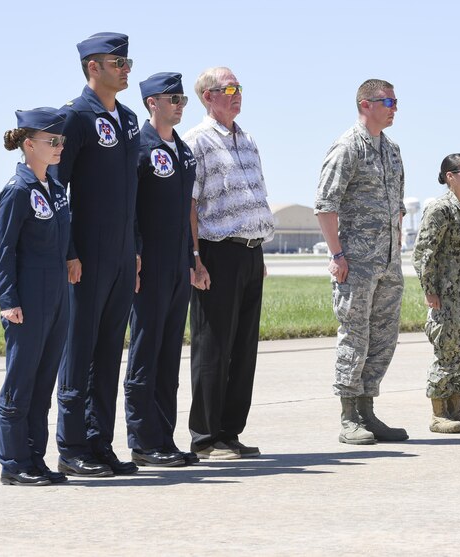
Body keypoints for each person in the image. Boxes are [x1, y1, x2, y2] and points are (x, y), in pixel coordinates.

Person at [53, 32, 142, 476]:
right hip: (86, 256)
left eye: (127, 62)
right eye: (117, 63)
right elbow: (56, 189)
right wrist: (68, 250)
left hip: (123, 257)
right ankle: (71, 448)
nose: (126, 69)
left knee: (109, 351)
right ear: (93, 67)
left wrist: (137, 251)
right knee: (79, 350)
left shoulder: (127, 120)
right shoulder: (75, 118)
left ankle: (99, 443)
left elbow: (133, 195)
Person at [182, 67, 275, 460]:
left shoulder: (248, 139)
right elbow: (190, 204)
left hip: (250, 251)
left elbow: (255, 195)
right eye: (229, 89)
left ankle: (229, 432)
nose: (237, 95)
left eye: (239, 88)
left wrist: (259, 252)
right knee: (213, 345)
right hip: (216, 252)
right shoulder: (197, 142)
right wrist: (196, 259)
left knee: (243, 347)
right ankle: (204, 435)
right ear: (207, 96)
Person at [315, 79, 408, 445]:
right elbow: (325, 205)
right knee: (355, 336)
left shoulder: (392, 150)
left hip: (387, 262)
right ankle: (349, 415)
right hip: (355, 263)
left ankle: (368, 410)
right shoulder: (347, 148)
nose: (394, 107)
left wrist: (396, 248)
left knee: (383, 337)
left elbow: (398, 206)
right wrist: (337, 255)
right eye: (388, 101)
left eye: (396, 101)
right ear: (365, 104)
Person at [124, 72, 198, 467]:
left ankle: (164, 439)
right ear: (152, 102)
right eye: (173, 98)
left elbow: (187, 210)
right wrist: (133, 254)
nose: (180, 105)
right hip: (149, 265)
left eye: (183, 99)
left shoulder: (183, 151)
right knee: (145, 352)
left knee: (169, 355)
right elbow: (130, 207)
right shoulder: (139, 147)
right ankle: (142, 439)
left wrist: (193, 259)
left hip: (176, 266)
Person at [0, 108, 70, 485]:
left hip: (57, 296)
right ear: (29, 145)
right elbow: (6, 251)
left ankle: (34, 458)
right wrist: (8, 300)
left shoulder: (55, 188)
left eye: (61, 141)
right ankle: (13, 463)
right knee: (21, 381)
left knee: (43, 383)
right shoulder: (17, 190)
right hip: (28, 296)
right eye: (51, 141)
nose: (58, 147)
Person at [413, 154, 460, 434]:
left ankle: (456, 408)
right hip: (448, 297)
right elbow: (424, 252)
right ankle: (438, 413)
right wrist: (429, 290)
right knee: (448, 353)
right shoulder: (440, 210)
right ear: (449, 176)